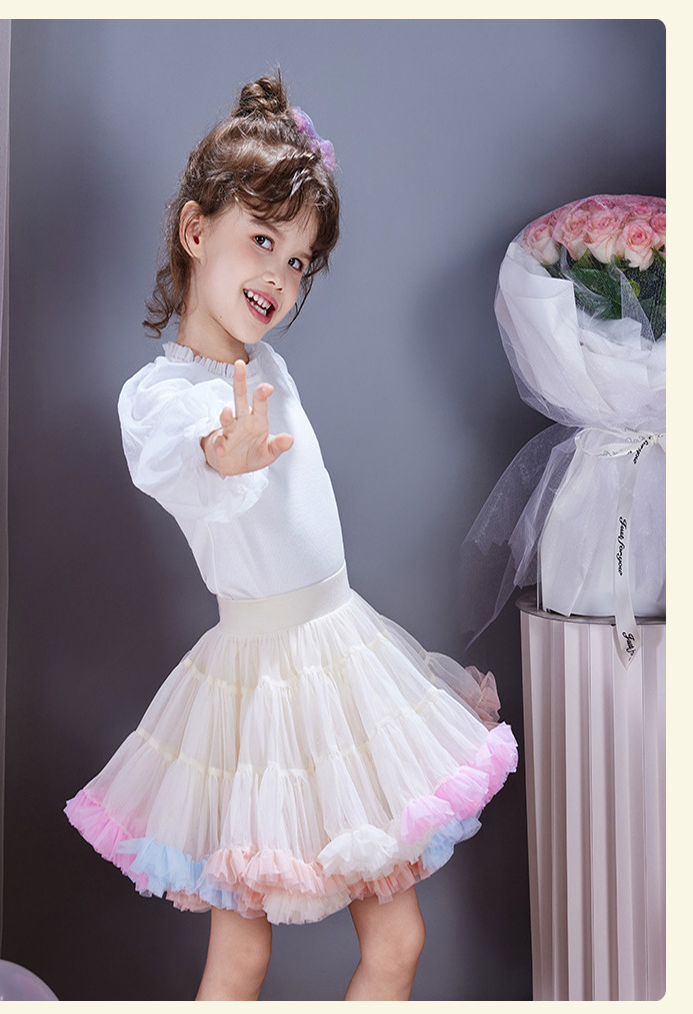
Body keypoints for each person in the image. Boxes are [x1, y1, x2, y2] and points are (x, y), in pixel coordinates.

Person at [64, 72, 518, 1002]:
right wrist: (224, 458)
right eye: (263, 241)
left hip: (346, 659)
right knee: (243, 957)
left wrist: (241, 447)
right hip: (260, 692)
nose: (280, 275)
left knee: (398, 940)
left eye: (301, 261)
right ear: (197, 232)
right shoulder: (164, 399)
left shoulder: (265, 364)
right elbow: (187, 460)